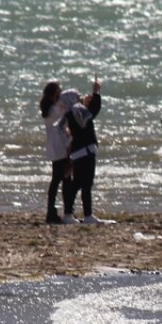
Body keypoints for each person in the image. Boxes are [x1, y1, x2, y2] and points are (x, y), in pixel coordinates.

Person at [62, 77, 109, 224]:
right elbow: (93, 111)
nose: (81, 98)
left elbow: (89, 113)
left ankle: (69, 214)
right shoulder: (78, 111)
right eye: (78, 97)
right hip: (86, 152)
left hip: (78, 153)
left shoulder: (71, 113)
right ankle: (87, 215)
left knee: (77, 184)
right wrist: (96, 92)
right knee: (86, 185)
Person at [39, 81, 73, 224]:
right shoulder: (54, 110)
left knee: (59, 180)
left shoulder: (49, 110)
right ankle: (61, 212)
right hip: (60, 148)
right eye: (58, 93)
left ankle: (60, 211)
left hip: (56, 147)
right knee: (62, 180)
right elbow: (68, 116)